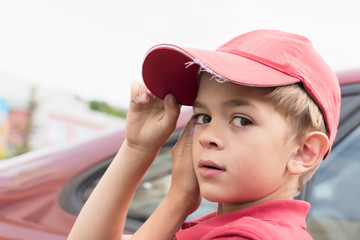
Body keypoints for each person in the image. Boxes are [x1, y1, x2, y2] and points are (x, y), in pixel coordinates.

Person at [68, 29, 341, 240]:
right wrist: (137, 148)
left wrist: (177, 200)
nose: (207, 136)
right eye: (203, 117)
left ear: (304, 152)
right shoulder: (225, 226)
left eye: (242, 120)